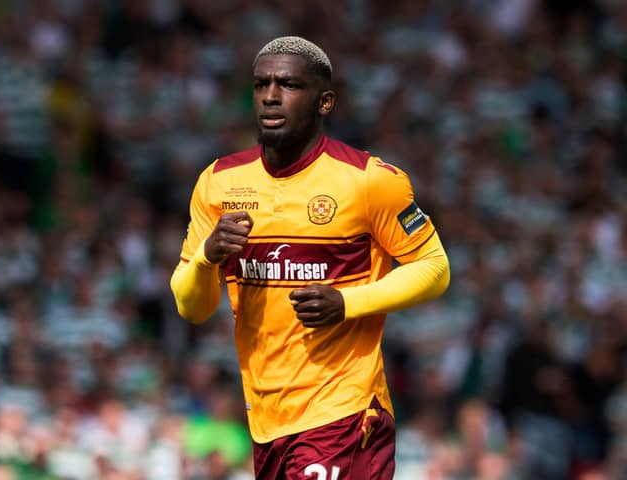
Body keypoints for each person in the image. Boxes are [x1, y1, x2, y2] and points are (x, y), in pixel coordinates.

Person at [170, 36, 450, 479]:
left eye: (288, 85)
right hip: (266, 422)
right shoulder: (219, 182)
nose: (271, 96)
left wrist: (347, 303)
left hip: (345, 412)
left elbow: (435, 269)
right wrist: (206, 257)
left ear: (324, 102)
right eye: (261, 84)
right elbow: (192, 307)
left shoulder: (369, 180)